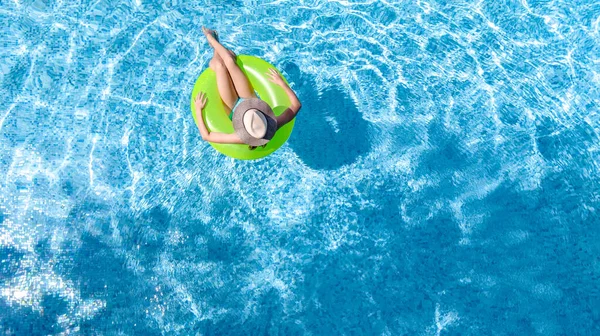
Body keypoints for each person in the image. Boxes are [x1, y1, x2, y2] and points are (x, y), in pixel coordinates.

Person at [194, 27, 302, 150]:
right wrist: (281, 83)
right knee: (229, 60)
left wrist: (198, 109)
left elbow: (206, 136)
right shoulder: (272, 124)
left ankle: (213, 44)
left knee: (219, 65)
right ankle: (213, 40)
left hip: (233, 107)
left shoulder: (242, 138)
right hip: (249, 99)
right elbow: (296, 105)